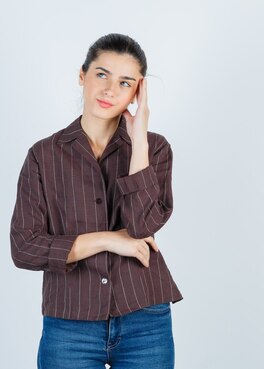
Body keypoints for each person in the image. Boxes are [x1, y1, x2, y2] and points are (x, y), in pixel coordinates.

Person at [10, 33, 183, 368]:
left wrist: (139, 138)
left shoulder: (155, 149)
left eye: (125, 82)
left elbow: (141, 225)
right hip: (69, 323)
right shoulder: (43, 156)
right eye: (101, 74)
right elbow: (24, 247)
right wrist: (108, 240)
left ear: (137, 92)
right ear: (82, 76)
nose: (109, 90)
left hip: (144, 316)